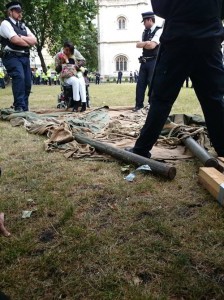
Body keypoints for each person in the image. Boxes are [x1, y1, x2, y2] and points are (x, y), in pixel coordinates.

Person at [126, 0, 224, 158]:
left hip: (178, 40)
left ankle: (142, 148)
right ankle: (223, 148)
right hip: (208, 40)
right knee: (214, 99)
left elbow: (160, 7)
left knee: (161, 99)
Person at [0, 1, 37, 112]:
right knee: (19, 78)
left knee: (27, 82)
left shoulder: (23, 25)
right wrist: (27, 41)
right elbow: (14, 40)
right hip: (12, 56)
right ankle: (19, 106)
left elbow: (34, 40)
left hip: (24, 56)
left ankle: (24, 107)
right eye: (17, 11)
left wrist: (21, 37)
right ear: (10, 12)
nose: (20, 14)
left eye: (21, 11)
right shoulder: (5, 24)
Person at [132, 11, 162, 112]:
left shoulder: (159, 30)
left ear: (149, 20)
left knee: (151, 84)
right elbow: (137, 44)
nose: (144, 24)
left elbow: (152, 45)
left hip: (154, 61)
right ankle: (138, 105)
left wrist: (144, 44)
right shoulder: (145, 32)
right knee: (140, 84)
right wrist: (146, 43)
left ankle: (151, 105)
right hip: (144, 61)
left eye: (144, 21)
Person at [55, 41, 87, 112]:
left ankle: (84, 103)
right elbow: (57, 69)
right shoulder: (59, 55)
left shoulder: (75, 53)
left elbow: (83, 60)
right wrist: (62, 62)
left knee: (81, 81)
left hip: (76, 73)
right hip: (66, 76)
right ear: (63, 48)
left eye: (70, 51)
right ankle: (76, 102)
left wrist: (77, 66)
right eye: (66, 50)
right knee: (75, 81)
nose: (68, 52)